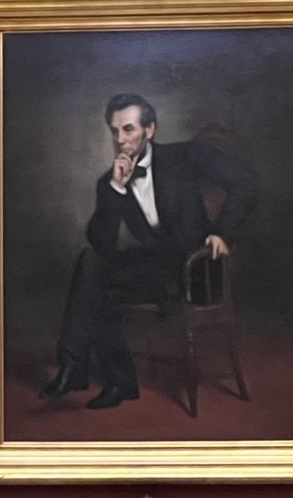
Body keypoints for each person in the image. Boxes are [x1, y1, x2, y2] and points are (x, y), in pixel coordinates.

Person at [41, 93, 258, 410]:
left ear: (150, 129)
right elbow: (101, 242)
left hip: (197, 268)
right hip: (158, 268)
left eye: (128, 129)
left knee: (99, 288)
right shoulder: (110, 182)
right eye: (115, 132)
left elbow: (246, 181)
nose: (120, 140)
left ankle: (96, 374)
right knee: (92, 264)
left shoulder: (186, 156)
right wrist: (116, 190)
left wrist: (221, 232)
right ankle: (82, 368)